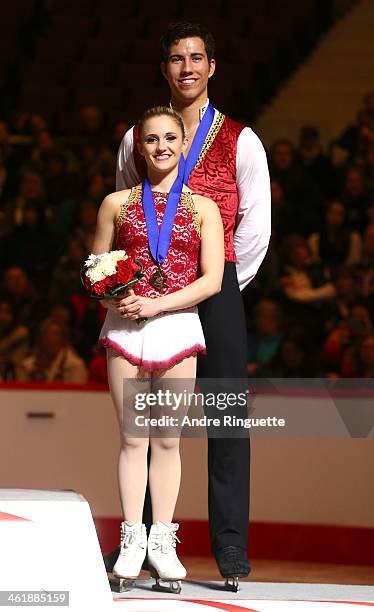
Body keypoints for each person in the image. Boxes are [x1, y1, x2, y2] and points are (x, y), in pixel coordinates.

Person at [113, 22, 271, 587]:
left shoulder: (241, 138)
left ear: (212, 67)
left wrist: (223, 283)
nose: (187, 68)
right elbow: (126, 217)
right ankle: (147, 536)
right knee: (151, 418)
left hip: (216, 285)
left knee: (226, 412)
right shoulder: (139, 137)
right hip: (152, 290)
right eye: (176, 59)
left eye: (197, 58)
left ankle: (229, 546)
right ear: (164, 69)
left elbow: (256, 226)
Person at [91, 106, 224, 591]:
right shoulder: (115, 203)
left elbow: (211, 280)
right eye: (151, 139)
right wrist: (116, 297)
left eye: (171, 137)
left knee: (167, 440)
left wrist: (157, 305)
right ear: (139, 147)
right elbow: (96, 270)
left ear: (184, 144)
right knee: (132, 439)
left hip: (177, 329)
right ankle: (131, 538)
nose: (162, 146)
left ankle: (162, 542)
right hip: (126, 328)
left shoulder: (203, 208)